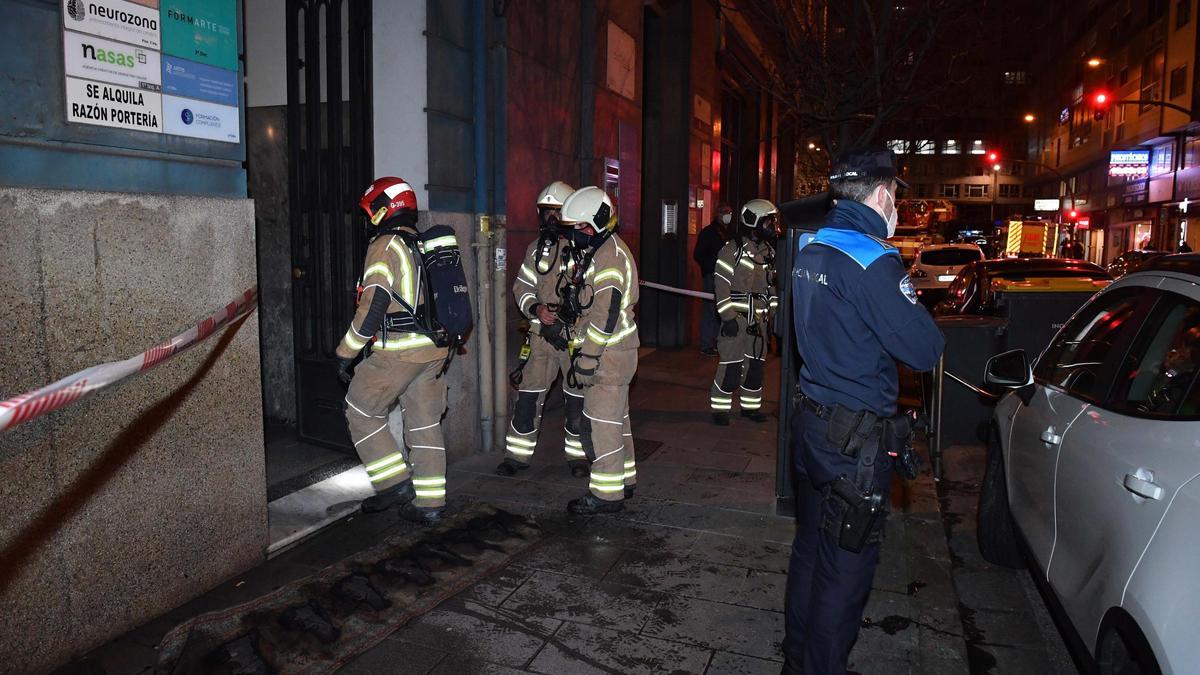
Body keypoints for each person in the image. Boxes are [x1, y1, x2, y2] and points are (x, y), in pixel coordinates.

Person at [784, 149, 945, 674]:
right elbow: (924, 350)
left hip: (810, 426)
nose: (896, 208)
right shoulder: (873, 261)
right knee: (844, 571)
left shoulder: (811, 248)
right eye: (895, 198)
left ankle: (796, 660)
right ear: (880, 197)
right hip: (852, 445)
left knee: (810, 552)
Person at [336, 177, 451, 526]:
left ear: (383, 208)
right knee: (425, 424)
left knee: (360, 410)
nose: (367, 217)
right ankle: (430, 503)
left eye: (369, 210)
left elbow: (373, 307)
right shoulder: (420, 243)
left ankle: (394, 484)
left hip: (399, 352)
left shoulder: (385, 245)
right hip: (433, 351)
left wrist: (346, 352)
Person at [497, 180, 590, 478]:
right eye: (545, 212)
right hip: (540, 338)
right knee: (527, 398)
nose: (550, 220)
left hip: (574, 340)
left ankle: (578, 458)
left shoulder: (584, 249)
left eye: (556, 213)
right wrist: (536, 310)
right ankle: (517, 456)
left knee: (576, 402)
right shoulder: (535, 249)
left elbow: (592, 298)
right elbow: (522, 286)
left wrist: (568, 321)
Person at [559, 186, 639, 514]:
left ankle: (606, 494)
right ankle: (625, 480)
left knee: (598, 423)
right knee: (618, 420)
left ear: (596, 223)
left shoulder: (609, 257)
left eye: (579, 228)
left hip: (607, 355)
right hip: (618, 352)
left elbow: (605, 315)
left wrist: (588, 357)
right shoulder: (603, 250)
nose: (574, 235)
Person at [709, 199, 779, 426]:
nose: (771, 226)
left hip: (758, 322)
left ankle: (750, 408)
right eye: (768, 221)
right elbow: (720, 286)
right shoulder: (732, 250)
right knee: (731, 366)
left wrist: (773, 319)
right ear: (755, 221)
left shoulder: (768, 252)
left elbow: (771, 288)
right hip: (736, 320)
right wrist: (727, 318)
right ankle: (720, 409)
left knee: (755, 369)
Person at [694, 204, 735, 355]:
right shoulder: (708, 233)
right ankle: (706, 345)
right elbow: (698, 254)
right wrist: (710, 267)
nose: (728, 215)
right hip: (712, 275)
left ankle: (718, 342)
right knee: (710, 310)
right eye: (725, 212)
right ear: (717, 214)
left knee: (722, 309)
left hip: (727, 276)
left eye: (730, 212)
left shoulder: (729, 233)